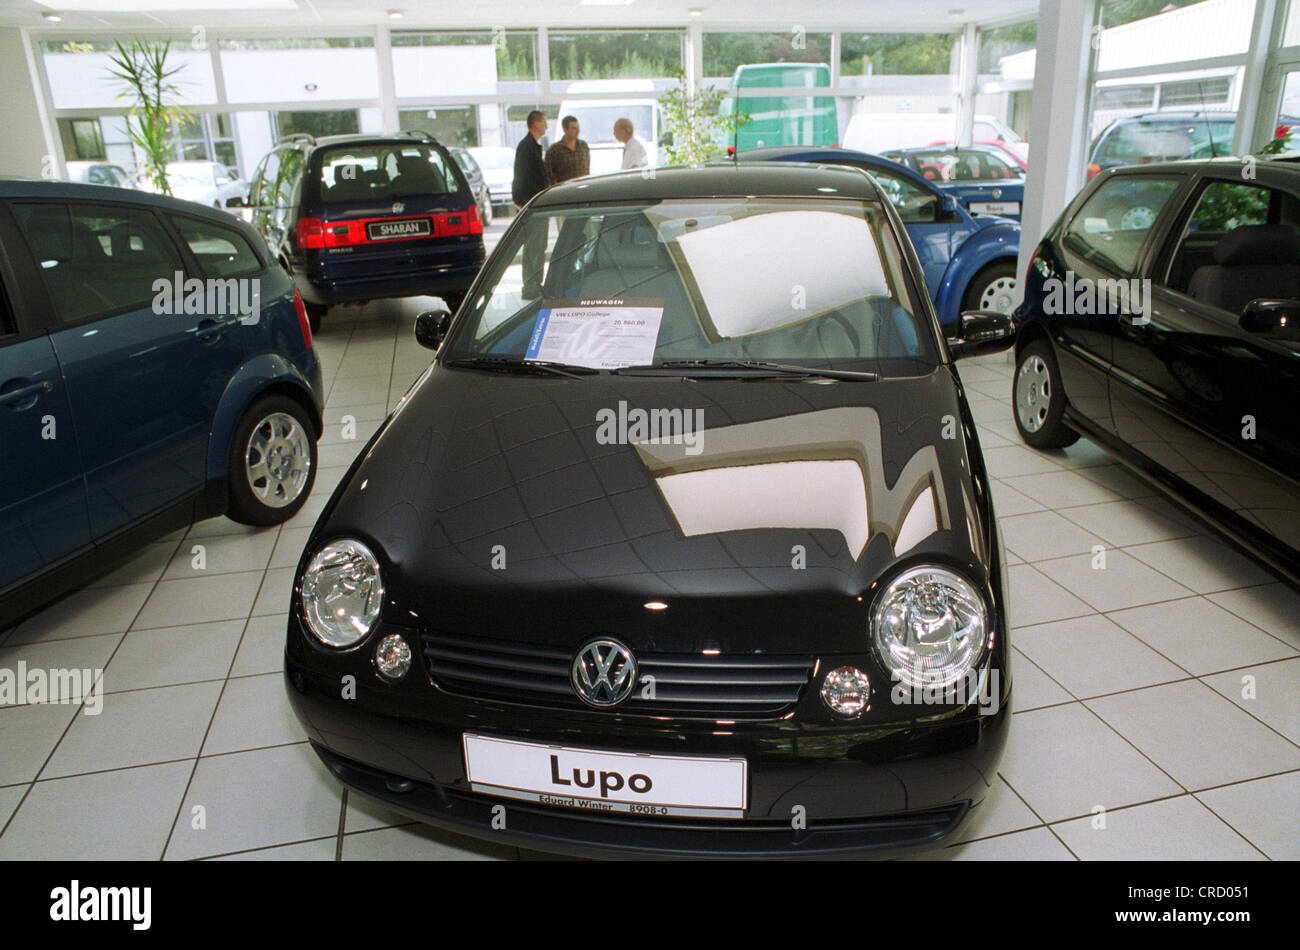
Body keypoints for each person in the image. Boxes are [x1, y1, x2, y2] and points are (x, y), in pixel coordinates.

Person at [513, 110, 548, 298]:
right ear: (535, 123)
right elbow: (521, 177)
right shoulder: (526, 147)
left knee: (539, 246)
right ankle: (530, 286)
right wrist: (522, 202)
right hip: (532, 204)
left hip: (538, 203)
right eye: (543, 122)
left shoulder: (533, 146)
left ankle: (536, 283)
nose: (546, 126)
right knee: (533, 246)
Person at [545, 115, 590, 185]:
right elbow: (549, 175)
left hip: (582, 189)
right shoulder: (554, 150)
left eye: (578, 127)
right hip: (565, 191)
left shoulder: (583, 147)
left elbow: (587, 170)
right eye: (574, 128)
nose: (578, 131)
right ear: (565, 129)